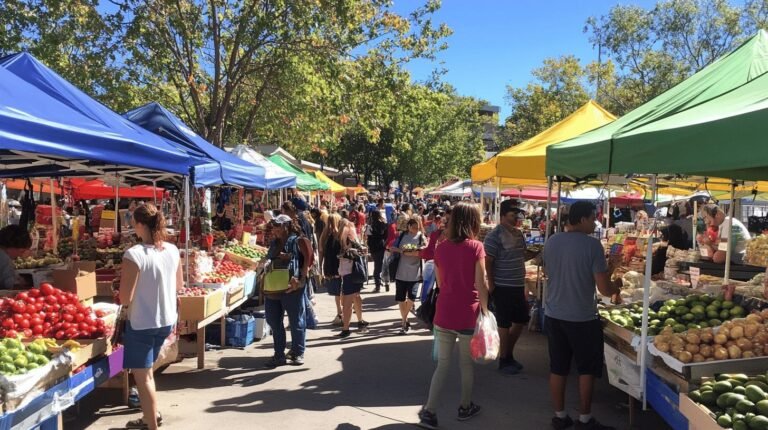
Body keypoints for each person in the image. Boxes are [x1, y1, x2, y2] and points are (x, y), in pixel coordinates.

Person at [543, 201, 622, 430]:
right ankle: (584, 419)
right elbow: (604, 289)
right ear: (583, 219)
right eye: (593, 218)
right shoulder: (592, 246)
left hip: (554, 314)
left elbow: (551, 273)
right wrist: (615, 285)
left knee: (558, 367)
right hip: (582, 317)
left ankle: (560, 416)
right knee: (586, 369)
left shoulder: (552, 241)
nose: (595, 222)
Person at [417, 203, 489, 429]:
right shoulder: (476, 247)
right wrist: (486, 312)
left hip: (444, 312)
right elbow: (482, 283)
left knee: (443, 365)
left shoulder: (441, 247)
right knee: (466, 365)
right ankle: (465, 407)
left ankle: (429, 410)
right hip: (468, 312)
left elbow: (440, 283)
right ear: (473, 221)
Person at [119, 204, 180, 430]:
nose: (133, 227)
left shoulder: (134, 254)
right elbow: (179, 285)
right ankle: (150, 415)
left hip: (142, 321)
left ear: (141, 224)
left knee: (142, 377)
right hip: (165, 319)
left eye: (134, 223)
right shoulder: (172, 251)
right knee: (147, 372)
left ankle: (151, 424)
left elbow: (126, 297)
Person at [484, 201, 529, 375]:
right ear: (503, 216)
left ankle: (508, 354)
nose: (516, 218)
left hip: (518, 284)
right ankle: (504, 359)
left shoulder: (519, 234)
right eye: (512, 215)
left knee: (520, 320)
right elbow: (488, 261)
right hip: (503, 285)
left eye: (517, 215)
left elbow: (522, 255)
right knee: (504, 323)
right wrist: (492, 284)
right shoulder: (494, 235)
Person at [263, 215, 312, 367]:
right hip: (273, 288)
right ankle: (279, 355)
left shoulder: (299, 240)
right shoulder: (274, 243)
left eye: (278, 226)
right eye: (274, 227)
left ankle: (298, 352)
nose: (275, 230)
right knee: (273, 321)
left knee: (296, 321)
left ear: (287, 226)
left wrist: (301, 279)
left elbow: (309, 260)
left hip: (293, 288)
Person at [391, 218, 427, 335]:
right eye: (414, 227)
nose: (416, 230)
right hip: (400, 271)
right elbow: (392, 247)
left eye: (418, 227)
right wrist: (402, 251)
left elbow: (426, 248)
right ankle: (404, 321)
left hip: (415, 273)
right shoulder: (402, 236)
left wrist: (417, 250)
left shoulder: (421, 236)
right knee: (401, 298)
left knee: (412, 297)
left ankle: (403, 320)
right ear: (409, 227)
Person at [337, 217, 370, 338]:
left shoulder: (345, 238)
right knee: (355, 297)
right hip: (354, 273)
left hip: (349, 273)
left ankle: (346, 328)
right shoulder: (353, 238)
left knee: (347, 302)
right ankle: (360, 321)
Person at [319, 214, 344, 326]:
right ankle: (342, 313)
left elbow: (321, 252)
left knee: (337, 293)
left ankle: (339, 313)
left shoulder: (325, 235)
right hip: (339, 267)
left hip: (330, 267)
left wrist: (320, 267)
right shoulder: (339, 235)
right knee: (342, 291)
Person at [0, 225, 32, 290]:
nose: (20, 255)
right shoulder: (5, 259)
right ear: (10, 247)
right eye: (21, 251)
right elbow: (10, 284)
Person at [367, 209, 388, 293]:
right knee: (384, 265)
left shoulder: (370, 226)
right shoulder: (384, 224)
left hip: (374, 247)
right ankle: (387, 283)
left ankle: (378, 285)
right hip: (382, 246)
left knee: (377, 266)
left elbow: (368, 237)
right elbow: (386, 236)